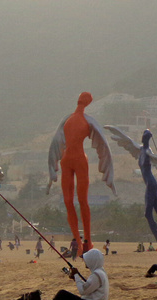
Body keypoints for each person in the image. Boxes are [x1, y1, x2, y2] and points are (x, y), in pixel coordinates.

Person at [48, 92, 115, 252]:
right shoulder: (87, 120)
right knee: (82, 201)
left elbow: (56, 142)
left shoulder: (67, 120)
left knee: (68, 201)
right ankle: (87, 241)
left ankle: (78, 242)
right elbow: (104, 144)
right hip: (79, 160)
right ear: (88, 103)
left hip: (66, 160)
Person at [106, 127, 157, 250]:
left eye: (147, 136)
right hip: (150, 184)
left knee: (148, 214)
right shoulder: (140, 149)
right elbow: (127, 139)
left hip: (151, 184)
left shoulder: (148, 151)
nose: (144, 138)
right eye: (144, 136)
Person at [33, 248, 108, 300]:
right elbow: (88, 287)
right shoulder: (100, 272)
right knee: (63, 295)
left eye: (86, 259)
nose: (84, 261)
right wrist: (75, 278)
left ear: (92, 261)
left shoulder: (96, 275)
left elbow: (83, 291)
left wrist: (76, 275)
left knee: (62, 294)